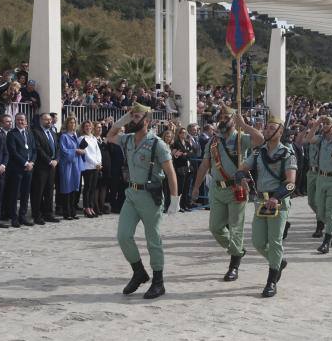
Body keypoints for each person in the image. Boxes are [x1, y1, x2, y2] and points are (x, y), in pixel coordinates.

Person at [106, 103, 180, 299]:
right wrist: (125, 119)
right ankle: (139, 272)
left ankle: (158, 281)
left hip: (150, 196)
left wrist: (175, 199)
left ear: (147, 121)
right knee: (123, 235)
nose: (133, 119)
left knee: (152, 240)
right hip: (131, 194)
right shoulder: (128, 140)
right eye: (132, 116)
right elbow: (110, 136)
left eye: (137, 117)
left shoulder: (157, 143)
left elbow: (170, 172)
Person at [190, 106, 263, 281]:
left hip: (236, 188)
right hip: (216, 189)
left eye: (226, 117)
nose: (222, 119)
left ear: (233, 119)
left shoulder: (241, 138)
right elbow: (204, 165)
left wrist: (243, 125)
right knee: (215, 228)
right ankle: (237, 250)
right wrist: (196, 187)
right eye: (220, 117)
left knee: (235, 227)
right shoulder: (212, 142)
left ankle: (234, 265)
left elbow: (260, 139)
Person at [233, 115, 297, 297]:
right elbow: (241, 169)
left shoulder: (287, 154)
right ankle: (278, 262)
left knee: (275, 241)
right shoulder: (258, 152)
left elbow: (291, 183)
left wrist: (276, 198)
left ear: (280, 132)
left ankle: (271, 280)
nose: (267, 131)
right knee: (258, 241)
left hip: (278, 203)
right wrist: (242, 178)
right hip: (260, 201)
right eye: (266, 128)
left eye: (271, 128)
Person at [304, 116, 332, 255]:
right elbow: (308, 139)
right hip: (320, 177)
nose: (324, 126)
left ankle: (326, 242)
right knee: (320, 211)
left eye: (327, 123)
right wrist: (317, 123)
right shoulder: (321, 139)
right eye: (323, 124)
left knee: (330, 212)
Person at [5, 113, 36, 227]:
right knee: (14, 194)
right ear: (15, 121)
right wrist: (25, 163)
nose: (20, 122)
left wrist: (32, 162)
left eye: (22, 120)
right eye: (18, 120)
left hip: (29, 169)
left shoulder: (29, 133)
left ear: (26, 121)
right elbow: (13, 152)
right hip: (17, 169)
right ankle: (14, 217)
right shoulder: (12, 134)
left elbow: (34, 149)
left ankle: (22, 216)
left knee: (25, 194)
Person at [30, 113, 60, 224]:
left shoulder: (53, 132)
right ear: (41, 120)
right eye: (46, 119)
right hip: (41, 166)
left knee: (49, 191)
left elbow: (57, 147)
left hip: (53, 166)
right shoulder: (35, 132)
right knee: (38, 192)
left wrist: (56, 160)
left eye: (50, 120)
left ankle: (48, 214)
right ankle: (37, 215)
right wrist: (49, 160)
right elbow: (38, 148)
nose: (49, 121)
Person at [58, 115, 84, 220]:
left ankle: (73, 212)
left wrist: (82, 151)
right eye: (70, 122)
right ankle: (66, 212)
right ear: (67, 124)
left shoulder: (75, 136)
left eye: (74, 123)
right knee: (67, 188)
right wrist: (76, 151)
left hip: (76, 164)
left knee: (74, 188)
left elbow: (79, 149)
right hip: (67, 165)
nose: (72, 124)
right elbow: (63, 151)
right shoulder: (64, 136)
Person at [79, 120, 102, 218]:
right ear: (83, 128)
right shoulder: (81, 138)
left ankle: (91, 207)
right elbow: (86, 153)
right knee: (87, 188)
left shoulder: (93, 138)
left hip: (96, 166)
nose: (88, 128)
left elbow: (98, 151)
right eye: (86, 126)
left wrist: (99, 162)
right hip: (88, 166)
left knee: (93, 188)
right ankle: (86, 207)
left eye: (90, 126)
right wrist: (95, 163)